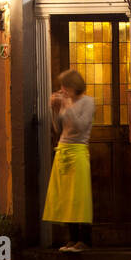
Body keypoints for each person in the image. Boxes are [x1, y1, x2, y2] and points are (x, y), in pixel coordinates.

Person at [42, 68, 95, 250]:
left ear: (74, 86)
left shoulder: (88, 102)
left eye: (65, 86)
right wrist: (54, 109)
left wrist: (67, 107)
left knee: (79, 197)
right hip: (62, 150)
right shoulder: (67, 102)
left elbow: (80, 127)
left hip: (78, 151)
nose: (62, 89)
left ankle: (85, 240)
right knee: (65, 197)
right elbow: (57, 128)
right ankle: (71, 239)